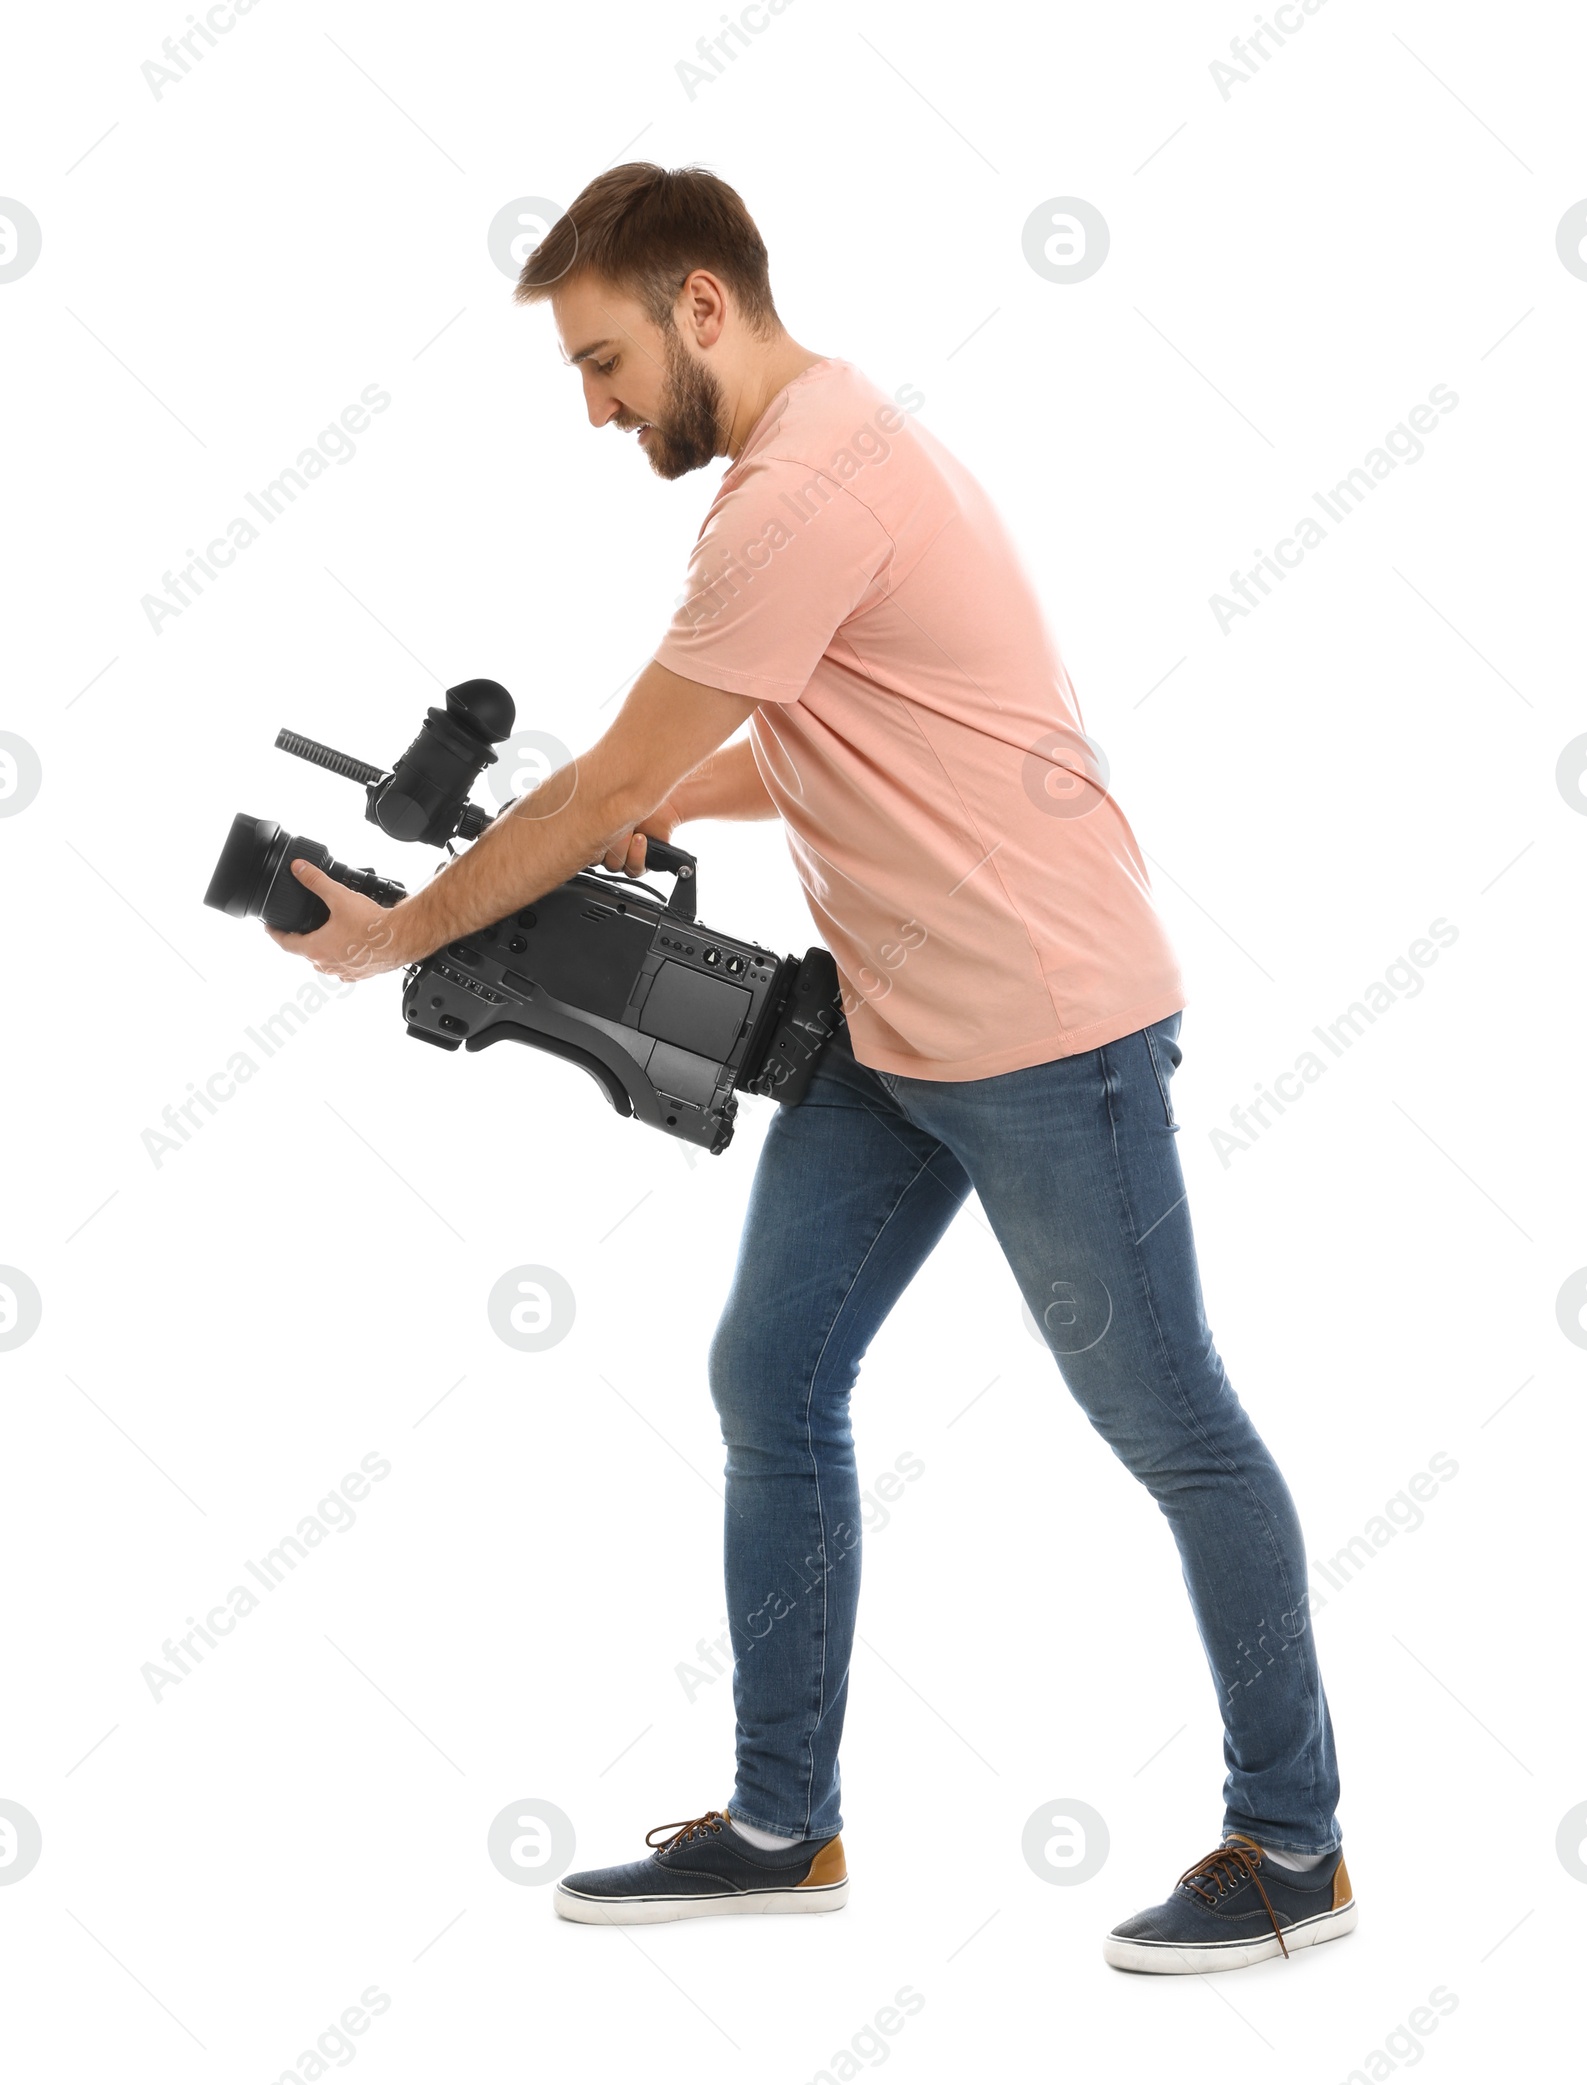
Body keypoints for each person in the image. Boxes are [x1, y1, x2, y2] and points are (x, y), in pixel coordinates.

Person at [270, 162, 1354, 1974]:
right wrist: (662, 799)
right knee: (773, 1373)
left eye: (607, 363)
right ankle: (784, 1823)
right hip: (892, 1018)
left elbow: (605, 782)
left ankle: (1294, 1844)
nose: (596, 409)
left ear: (706, 306)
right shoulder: (829, 456)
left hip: (1046, 1030)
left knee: (1171, 1426)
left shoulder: (796, 496)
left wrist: (398, 931)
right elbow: (854, 731)